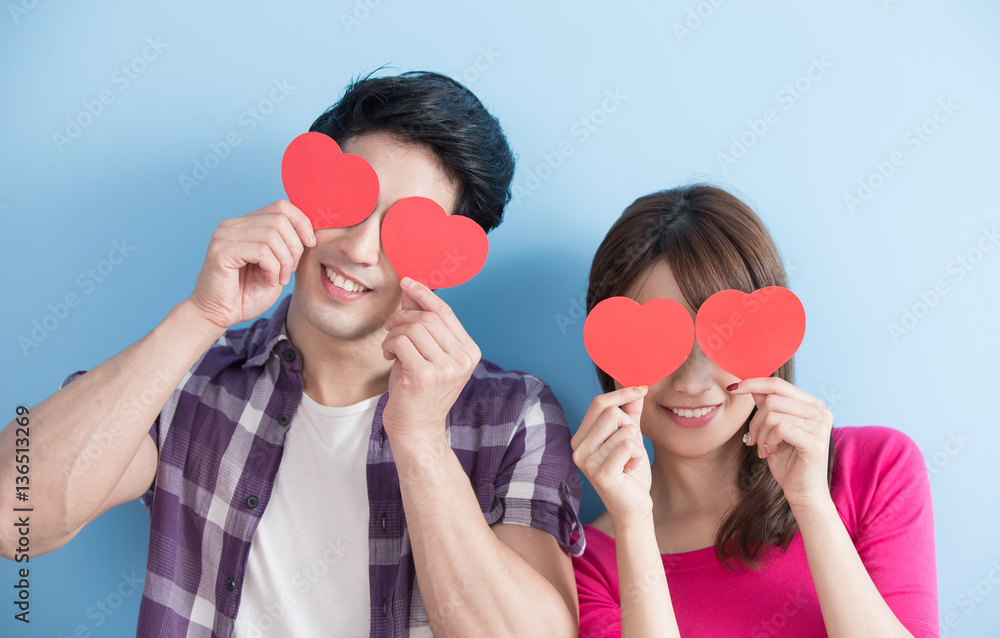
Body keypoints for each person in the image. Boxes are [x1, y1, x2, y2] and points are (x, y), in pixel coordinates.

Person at [0, 71, 584, 637]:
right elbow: (14, 516)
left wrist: (422, 439)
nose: (358, 248)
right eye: (348, 204)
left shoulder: (514, 416)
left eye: (403, 231)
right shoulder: (190, 385)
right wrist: (201, 317)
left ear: (449, 261)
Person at [570, 185, 938, 637]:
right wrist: (634, 523)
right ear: (610, 356)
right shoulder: (590, 566)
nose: (691, 383)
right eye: (658, 343)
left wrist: (811, 503)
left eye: (720, 337)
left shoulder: (875, 468)